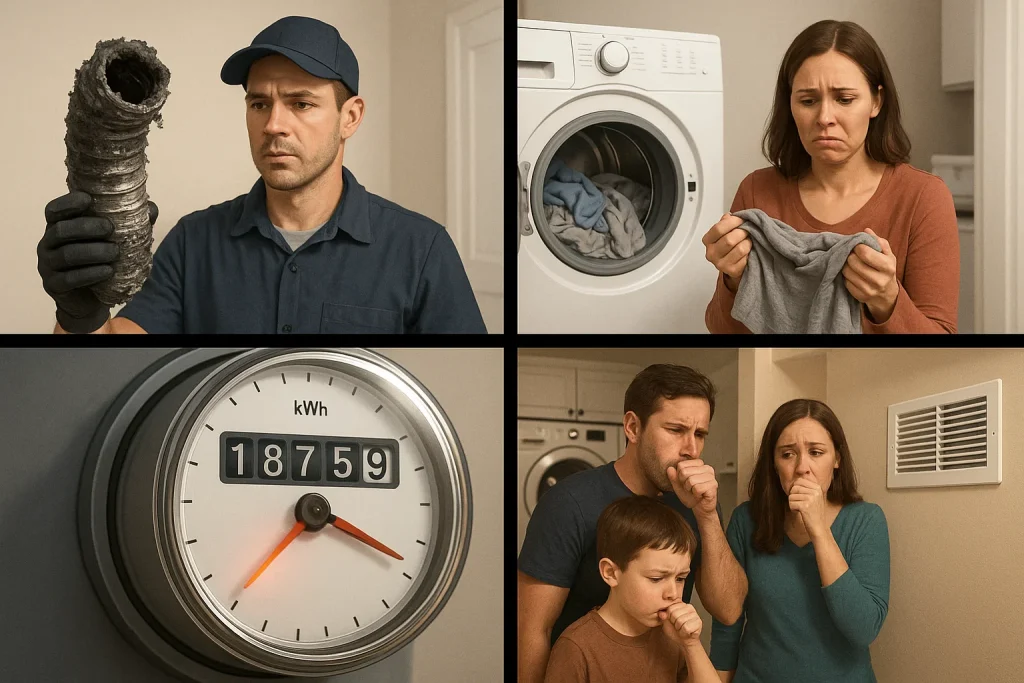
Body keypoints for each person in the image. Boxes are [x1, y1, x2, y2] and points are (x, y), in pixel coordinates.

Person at [37, 15, 485, 334]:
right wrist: (79, 312)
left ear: (350, 117)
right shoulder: (193, 242)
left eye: (301, 103)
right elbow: (109, 359)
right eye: (259, 103)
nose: (273, 124)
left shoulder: (422, 250)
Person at [702, 19, 958, 334]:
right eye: (808, 101)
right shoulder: (757, 191)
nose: (825, 118)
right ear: (791, 105)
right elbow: (723, 333)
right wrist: (733, 278)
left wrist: (887, 300)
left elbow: (942, 339)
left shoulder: (923, 197)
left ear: (876, 102)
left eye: (845, 99)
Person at [518, 364, 748, 683]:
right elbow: (533, 631)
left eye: (700, 434)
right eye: (676, 430)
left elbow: (729, 610)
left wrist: (707, 513)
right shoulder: (569, 503)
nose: (691, 450)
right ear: (633, 427)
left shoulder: (699, 503)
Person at [710, 399, 890, 683]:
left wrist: (819, 530)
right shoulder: (746, 520)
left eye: (816, 452)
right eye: (787, 454)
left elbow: (864, 628)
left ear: (837, 459)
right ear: (773, 462)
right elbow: (727, 623)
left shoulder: (866, 520)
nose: (802, 467)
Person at [543, 496, 720, 683]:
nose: (673, 594)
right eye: (656, 578)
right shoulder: (577, 648)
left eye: (680, 578)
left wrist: (691, 645)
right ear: (611, 573)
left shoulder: (674, 638)